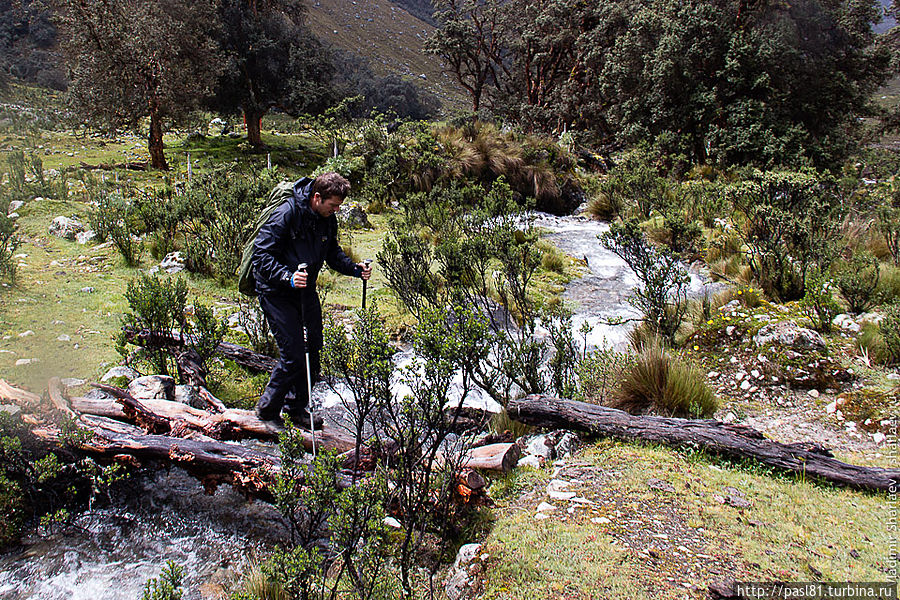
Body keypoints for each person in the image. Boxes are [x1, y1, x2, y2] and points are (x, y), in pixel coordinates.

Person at [251, 172, 372, 427]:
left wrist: (354, 269)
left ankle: (297, 408)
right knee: (293, 353)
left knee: (314, 347)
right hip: (276, 291)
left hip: (304, 290)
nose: (336, 210)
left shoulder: (327, 219)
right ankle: (268, 411)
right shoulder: (287, 213)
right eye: (333, 205)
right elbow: (260, 256)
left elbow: (332, 252)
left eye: (339, 206)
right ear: (317, 198)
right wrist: (287, 277)